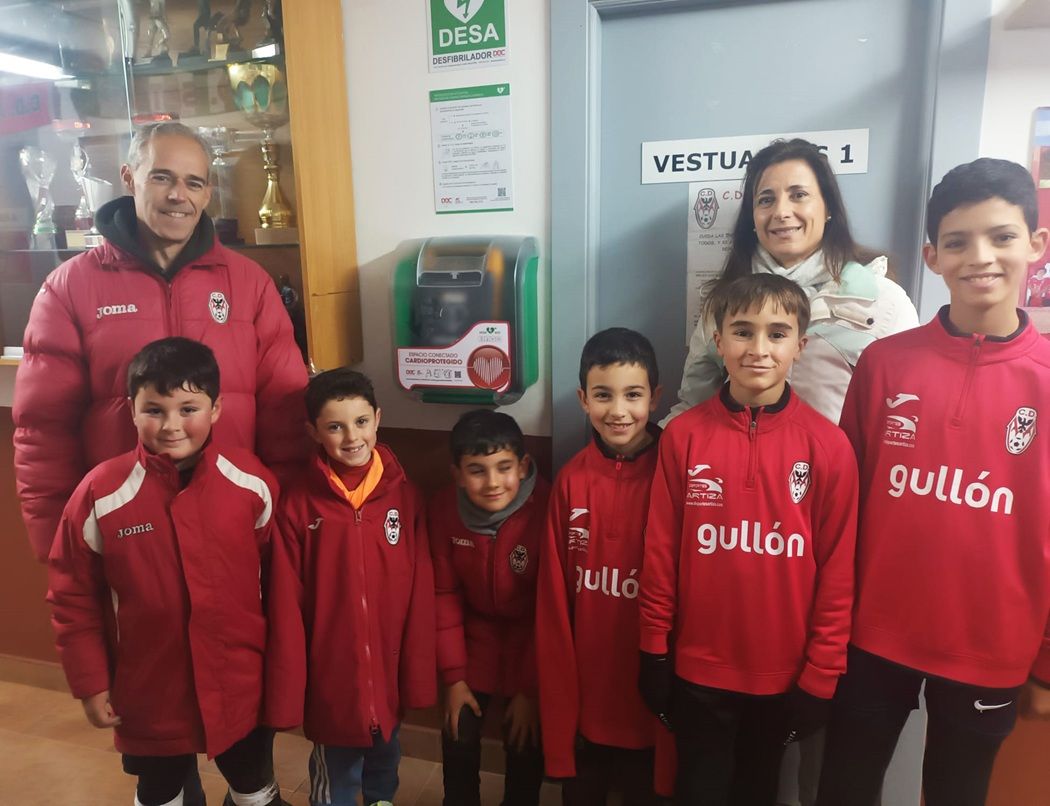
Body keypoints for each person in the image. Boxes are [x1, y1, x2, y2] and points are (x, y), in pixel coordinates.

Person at [815, 158, 1050, 806]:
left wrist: (1045, 663)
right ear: (932, 256)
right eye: (958, 241)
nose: (981, 257)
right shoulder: (885, 364)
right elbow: (844, 510)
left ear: (1036, 245)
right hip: (872, 634)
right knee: (844, 789)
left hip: (991, 646)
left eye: (1001, 236)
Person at [13, 120, 307, 564]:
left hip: (232, 532)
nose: (178, 195)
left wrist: (283, 534)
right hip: (124, 540)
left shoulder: (250, 285)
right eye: (162, 177)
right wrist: (60, 549)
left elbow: (285, 420)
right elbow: (44, 432)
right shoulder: (70, 288)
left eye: (193, 183)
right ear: (129, 178)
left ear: (207, 195)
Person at [638, 274, 858, 806]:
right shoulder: (683, 437)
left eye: (777, 333)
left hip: (782, 677)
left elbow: (837, 574)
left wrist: (822, 675)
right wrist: (653, 650)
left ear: (800, 345)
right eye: (742, 331)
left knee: (758, 791)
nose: (759, 348)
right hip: (697, 669)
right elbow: (661, 556)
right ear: (718, 341)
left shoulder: (829, 447)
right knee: (697, 791)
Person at [47, 337, 289, 806]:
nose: (172, 425)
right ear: (131, 411)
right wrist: (90, 682)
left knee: (254, 787)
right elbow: (71, 596)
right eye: (154, 410)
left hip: (239, 680)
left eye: (188, 408)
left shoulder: (251, 482)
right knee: (160, 792)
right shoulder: (100, 493)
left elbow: (270, 577)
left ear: (216, 409)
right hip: (148, 688)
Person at [266, 368, 436, 806]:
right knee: (336, 777)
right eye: (335, 427)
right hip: (332, 677)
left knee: (385, 762)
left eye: (361, 422)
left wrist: (416, 670)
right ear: (313, 432)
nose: (352, 437)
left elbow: (420, 593)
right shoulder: (298, 504)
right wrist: (292, 687)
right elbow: (286, 603)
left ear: (377, 418)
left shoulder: (404, 495)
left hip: (389, 670)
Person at [666, 137, 918, 426]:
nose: (781, 212)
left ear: (828, 208)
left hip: (841, 457)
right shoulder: (724, 301)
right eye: (766, 199)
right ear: (752, 217)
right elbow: (693, 407)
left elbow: (906, 412)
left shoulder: (884, 301)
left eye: (798, 195)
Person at [536, 327, 672, 805]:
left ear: (655, 397)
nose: (618, 410)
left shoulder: (674, 474)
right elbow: (554, 605)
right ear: (583, 399)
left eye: (632, 395)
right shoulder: (571, 481)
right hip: (588, 695)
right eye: (603, 395)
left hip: (653, 694)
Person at [429, 409, 548, 806]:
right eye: (477, 471)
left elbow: (549, 608)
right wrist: (454, 679)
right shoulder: (444, 510)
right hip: (473, 639)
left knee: (525, 739)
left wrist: (530, 690)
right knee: (458, 729)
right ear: (458, 474)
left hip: (531, 643)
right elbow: (444, 595)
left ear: (523, 465)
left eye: (504, 468)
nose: (493, 482)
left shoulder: (549, 507)